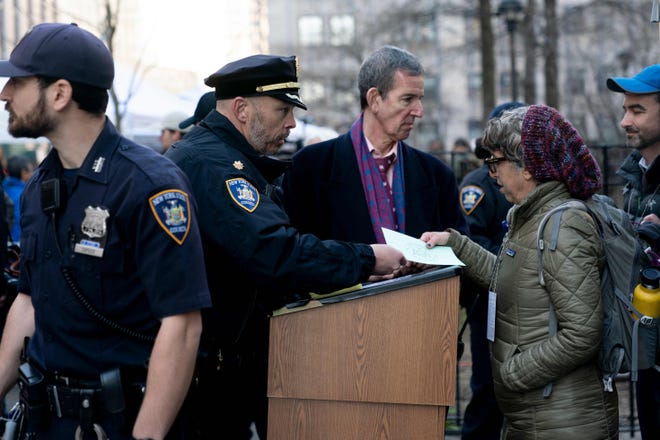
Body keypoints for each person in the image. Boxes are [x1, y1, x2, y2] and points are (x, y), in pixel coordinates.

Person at [165, 54, 407, 440]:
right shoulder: (215, 166)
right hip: (211, 374)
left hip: (227, 362)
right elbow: (275, 252)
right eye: (282, 110)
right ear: (242, 109)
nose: (292, 123)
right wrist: (368, 258)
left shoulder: (225, 159)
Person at [0, 22, 212, 439]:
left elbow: (182, 325)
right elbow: (28, 302)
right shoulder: (40, 186)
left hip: (118, 422)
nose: (5, 94)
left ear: (60, 94)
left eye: (18, 82)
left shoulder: (150, 185)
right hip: (45, 421)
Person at [421, 104, 618, 439]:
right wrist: (456, 244)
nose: (491, 172)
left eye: (496, 162)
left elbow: (583, 333)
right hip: (536, 415)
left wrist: (512, 373)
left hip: (563, 421)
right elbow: (511, 278)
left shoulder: (563, 224)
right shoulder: (530, 216)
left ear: (527, 167)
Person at [281, 45, 468, 246]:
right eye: (407, 99)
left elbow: (463, 255)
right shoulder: (308, 168)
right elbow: (298, 254)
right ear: (374, 99)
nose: (419, 111)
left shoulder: (438, 175)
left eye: (419, 99)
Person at [456, 102, 526, 440]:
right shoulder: (478, 185)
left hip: (528, 307)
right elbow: (473, 239)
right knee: (488, 390)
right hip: (490, 303)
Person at [606, 64, 660, 440]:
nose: (626, 120)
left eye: (638, 110)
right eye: (625, 109)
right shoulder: (636, 176)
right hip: (646, 340)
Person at [2, 154, 34, 243]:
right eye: (31, 171)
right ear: (24, 173)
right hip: (19, 244)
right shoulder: (26, 195)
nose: (33, 174)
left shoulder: (3, 190)